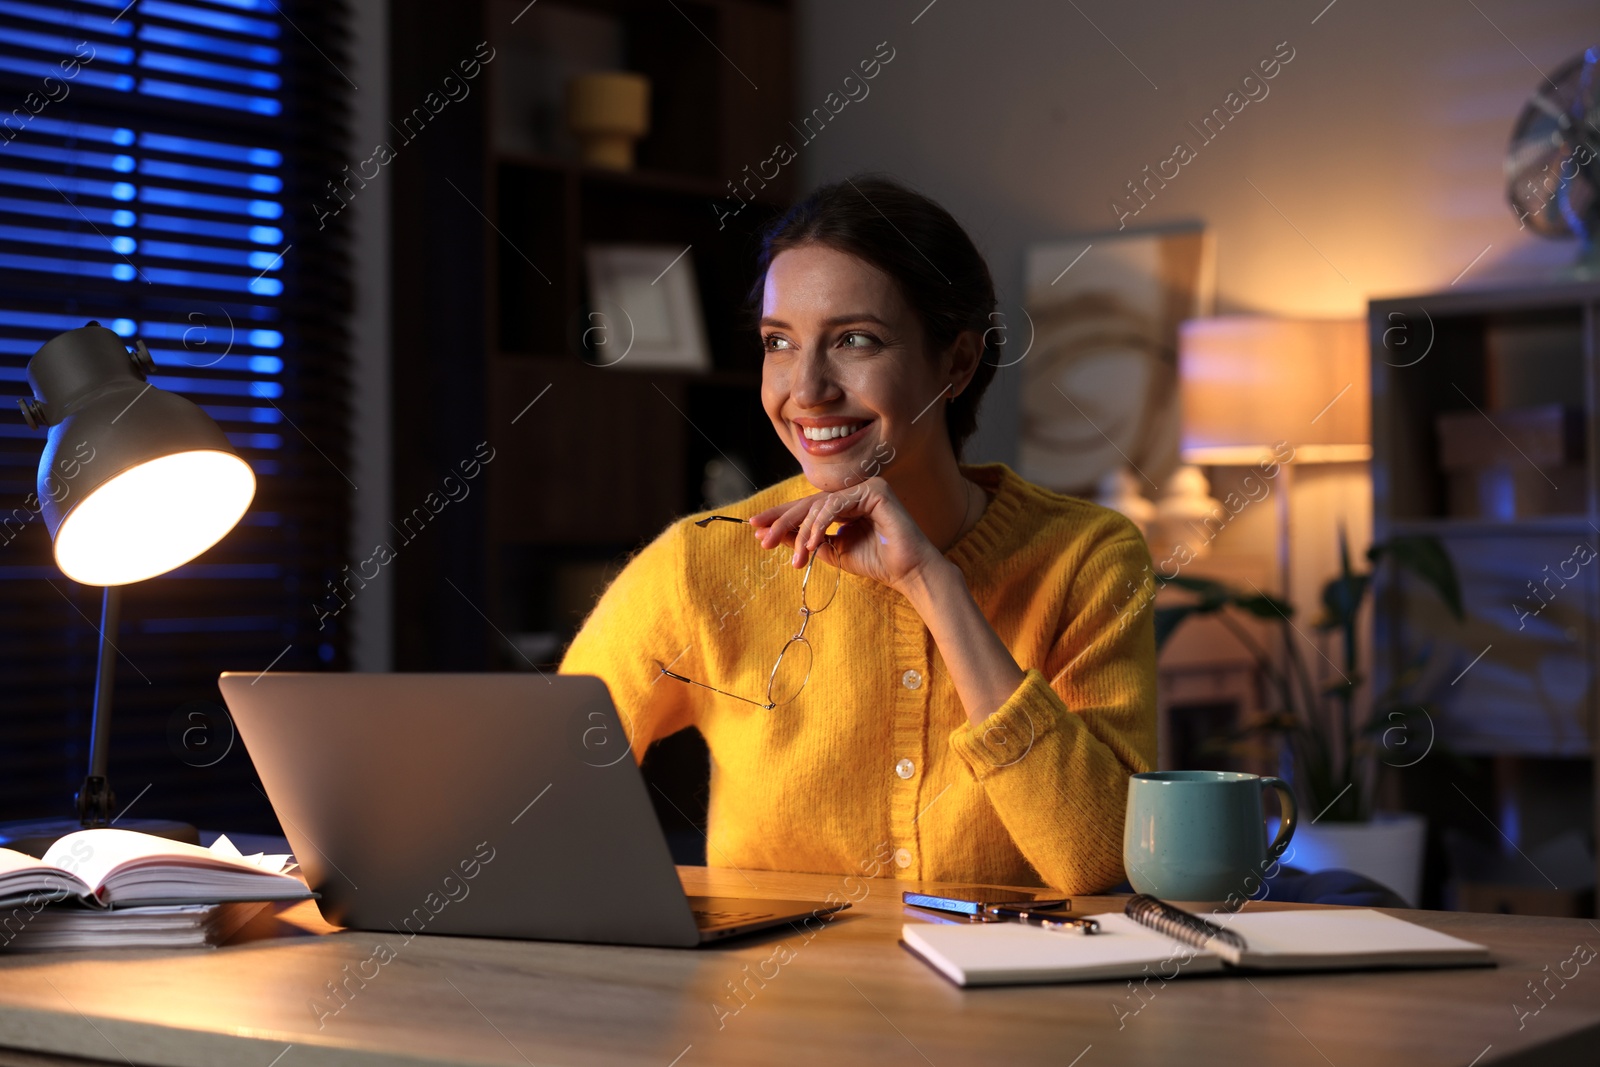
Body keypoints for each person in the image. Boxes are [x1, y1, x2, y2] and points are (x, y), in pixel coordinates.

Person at [560, 176, 1156, 893]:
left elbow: (1103, 863)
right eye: (778, 343)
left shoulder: (1088, 558)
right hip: (767, 1001)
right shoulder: (702, 562)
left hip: (1014, 1004)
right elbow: (537, 801)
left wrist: (932, 583)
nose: (806, 388)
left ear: (957, 363)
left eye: (854, 340)